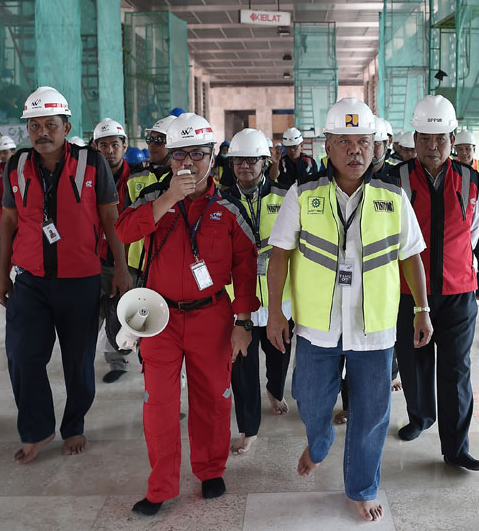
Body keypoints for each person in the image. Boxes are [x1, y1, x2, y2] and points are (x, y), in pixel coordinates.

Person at [266, 97, 431, 522]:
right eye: (345, 142)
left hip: (373, 328)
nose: (355, 150)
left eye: (364, 142)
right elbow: (280, 254)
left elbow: (411, 256)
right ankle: (318, 443)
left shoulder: (393, 199)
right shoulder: (303, 196)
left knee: (372, 415)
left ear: (376, 148)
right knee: (312, 403)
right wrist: (277, 313)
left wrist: (422, 309)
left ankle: (362, 486)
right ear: (328, 147)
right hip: (318, 327)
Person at [116, 113, 259, 516]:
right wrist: (167, 201)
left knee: (213, 399)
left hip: (211, 318)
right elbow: (123, 231)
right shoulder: (151, 196)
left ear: (213, 158)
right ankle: (161, 487)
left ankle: (210, 470)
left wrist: (243, 323)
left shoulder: (229, 207)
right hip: (159, 319)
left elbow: (246, 269)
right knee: (158, 404)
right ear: (169, 158)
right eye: (180, 155)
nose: (189, 163)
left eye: (199, 154)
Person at [0, 86, 132, 465]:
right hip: (30, 280)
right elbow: (8, 221)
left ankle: (74, 425)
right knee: (22, 355)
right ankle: (37, 428)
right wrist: (3, 273)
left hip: (82, 279)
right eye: (34, 125)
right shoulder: (16, 166)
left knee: (77, 360)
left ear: (66, 125)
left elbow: (110, 218)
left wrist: (120, 267)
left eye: (50, 125)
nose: (42, 132)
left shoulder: (92, 162)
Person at [390, 95, 479, 472]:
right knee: (414, 363)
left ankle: (457, 447)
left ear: (451, 138)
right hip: (407, 292)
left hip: (458, 292)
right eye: (425, 138)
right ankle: (419, 417)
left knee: (456, 370)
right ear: (414, 139)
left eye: (440, 138)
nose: (433, 146)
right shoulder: (394, 179)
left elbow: (473, 230)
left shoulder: (470, 179)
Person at [223, 128, 292, 455]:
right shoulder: (221, 200)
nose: (245, 166)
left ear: (265, 161)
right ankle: (248, 427)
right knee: (241, 366)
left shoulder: (285, 195)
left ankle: (275, 390)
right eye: (239, 160)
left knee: (279, 356)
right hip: (240, 301)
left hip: (279, 298)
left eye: (252, 160)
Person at [92, 118, 133, 384]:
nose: (109, 151)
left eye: (114, 145)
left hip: (128, 260)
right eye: (104, 145)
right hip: (95, 259)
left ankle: (121, 359)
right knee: (91, 315)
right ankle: (85, 358)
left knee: (122, 314)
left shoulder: (138, 179)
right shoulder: (88, 178)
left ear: (124, 146)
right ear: (95, 147)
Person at [125, 115, 176, 275]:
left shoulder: (182, 181)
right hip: (137, 264)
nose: (152, 145)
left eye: (160, 140)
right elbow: (123, 223)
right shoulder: (134, 178)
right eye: (150, 139)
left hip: (169, 263)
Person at [453, 128, 479, 307]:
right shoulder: (451, 167)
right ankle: (463, 292)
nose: (464, 153)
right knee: (462, 260)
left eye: (467, 149)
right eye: (460, 149)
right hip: (459, 223)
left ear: (474, 149)